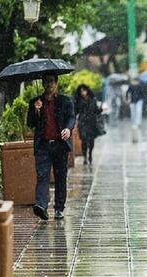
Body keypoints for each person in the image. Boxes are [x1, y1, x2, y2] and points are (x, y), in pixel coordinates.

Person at [27, 73, 75, 221]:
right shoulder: (35, 102)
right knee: (42, 176)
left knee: (61, 177)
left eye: (51, 81)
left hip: (60, 145)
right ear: (42, 84)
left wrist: (68, 129)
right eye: (46, 82)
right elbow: (30, 123)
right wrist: (36, 111)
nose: (49, 84)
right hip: (43, 146)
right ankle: (41, 206)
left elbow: (71, 117)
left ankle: (59, 208)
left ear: (56, 83)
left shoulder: (65, 101)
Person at [74, 84, 103, 165]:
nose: (83, 93)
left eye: (84, 90)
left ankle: (90, 153)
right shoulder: (78, 100)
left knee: (91, 141)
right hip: (82, 122)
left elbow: (96, 110)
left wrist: (100, 109)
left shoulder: (93, 99)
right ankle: (85, 157)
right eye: (81, 91)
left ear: (87, 90)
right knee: (83, 140)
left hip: (91, 122)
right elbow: (75, 111)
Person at [126, 78, 146, 143]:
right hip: (132, 101)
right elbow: (127, 92)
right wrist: (127, 99)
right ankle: (134, 121)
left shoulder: (140, 85)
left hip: (139, 100)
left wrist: (143, 99)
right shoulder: (130, 86)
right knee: (133, 112)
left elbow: (142, 93)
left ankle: (138, 122)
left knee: (138, 111)